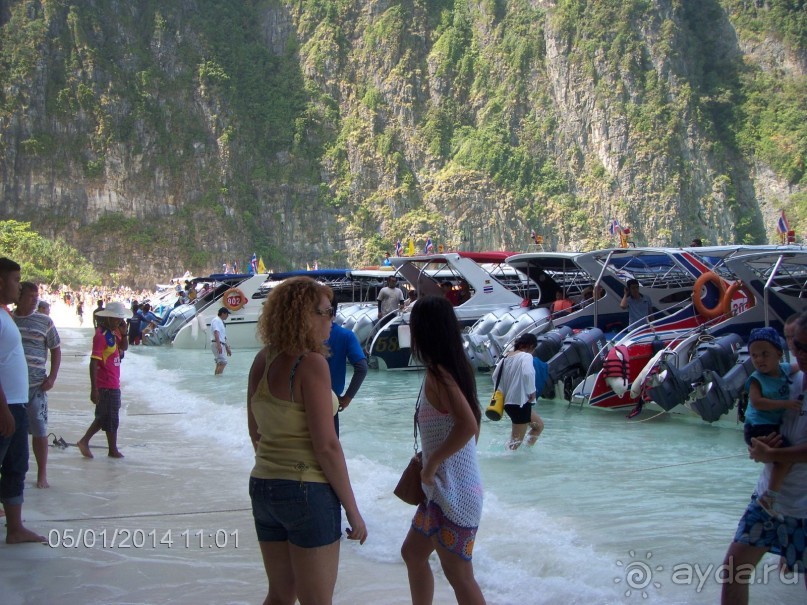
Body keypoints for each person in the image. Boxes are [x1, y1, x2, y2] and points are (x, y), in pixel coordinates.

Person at [247, 276, 367, 605]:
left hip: (263, 487)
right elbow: (326, 446)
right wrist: (353, 511)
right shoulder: (311, 363)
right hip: (307, 491)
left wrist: (277, 467)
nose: (333, 319)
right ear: (305, 315)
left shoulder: (263, 359)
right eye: (327, 312)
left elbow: (255, 431)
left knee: (280, 595)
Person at [400, 295, 486, 605]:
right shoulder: (451, 369)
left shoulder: (440, 374)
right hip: (443, 490)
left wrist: (433, 461)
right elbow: (470, 425)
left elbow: (468, 427)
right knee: (412, 553)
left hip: (454, 493)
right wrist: (434, 460)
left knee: (459, 575)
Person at [720, 311, 807, 605]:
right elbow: (763, 417)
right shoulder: (788, 379)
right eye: (798, 346)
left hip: (804, 508)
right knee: (734, 570)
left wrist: (773, 453)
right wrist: (759, 448)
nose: (802, 354)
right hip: (768, 499)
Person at [0, 258, 46, 543]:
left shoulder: (5, 314)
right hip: (6, 405)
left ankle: (15, 528)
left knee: (17, 465)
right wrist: (3, 408)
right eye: (16, 280)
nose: (19, 287)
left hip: (17, 403)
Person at [742, 327, 801, 517]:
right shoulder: (756, 379)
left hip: (770, 426)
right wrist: (786, 403)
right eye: (754, 355)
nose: (759, 360)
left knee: (782, 457)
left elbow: (798, 366)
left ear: (779, 353)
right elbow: (757, 403)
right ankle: (770, 496)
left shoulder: (784, 370)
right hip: (757, 428)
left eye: (764, 354)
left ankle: (770, 494)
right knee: (785, 458)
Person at [12, 282, 61, 489]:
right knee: (13, 432)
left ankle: (42, 474)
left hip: (37, 387)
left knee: (40, 431)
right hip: (13, 389)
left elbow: (56, 350)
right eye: (31, 297)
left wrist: (52, 378)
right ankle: (14, 475)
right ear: (19, 296)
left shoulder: (45, 322)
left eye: (37, 296)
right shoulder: (8, 319)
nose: (36, 301)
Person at [77, 301, 129, 459]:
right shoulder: (101, 336)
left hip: (113, 380)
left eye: (120, 319)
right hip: (105, 383)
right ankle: (103, 447)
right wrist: (94, 389)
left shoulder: (115, 332)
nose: (119, 321)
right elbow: (93, 361)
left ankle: (102, 446)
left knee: (107, 416)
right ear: (108, 318)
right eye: (116, 319)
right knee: (107, 416)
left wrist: (125, 332)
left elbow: (124, 347)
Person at [492, 333, 546, 450]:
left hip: (509, 403)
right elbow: (528, 373)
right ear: (531, 346)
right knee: (515, 443)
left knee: (538, 426)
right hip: (519, 403)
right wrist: (532, 392)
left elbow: (495, 376)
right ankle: (508, 462)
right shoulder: (526, 356)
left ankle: (526, 452)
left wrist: (503, 393)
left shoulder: (505, 357)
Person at [325, 300, 368, 437]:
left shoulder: (303, 337)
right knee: (330, 449)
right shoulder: (346, 335)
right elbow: (362, 368)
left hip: (301, 402)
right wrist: (347, 398)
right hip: (331, 402)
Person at [210, 307, 232, 375]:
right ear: (223, 313)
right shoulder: (216, 320)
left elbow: (223, 336)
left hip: (219, 343)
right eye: (227, 314)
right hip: (217, 343)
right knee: (223, 362)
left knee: (219, 363)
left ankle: (217, 379)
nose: (227, 316)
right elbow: (216, 332)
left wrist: (227, 347)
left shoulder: (220, 321)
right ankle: (218, 378)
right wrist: (219, 345)